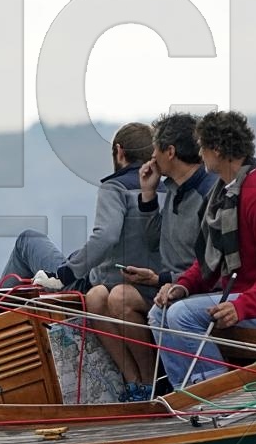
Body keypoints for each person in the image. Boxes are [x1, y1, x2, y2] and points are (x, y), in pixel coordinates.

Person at [147, 110, 256, 388]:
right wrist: (181, 286)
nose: (199, 154)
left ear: (217, 150)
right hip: (244, 298)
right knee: (160, 312)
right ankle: (185, 392)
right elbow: (209, 259)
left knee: (181, 315)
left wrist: (241, 307)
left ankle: (217, 392)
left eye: (203, 147)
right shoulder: (224, 191)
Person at [2, 122, 159, 398]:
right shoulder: (167, 189)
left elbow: (105, 237)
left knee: (27, 241)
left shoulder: (115, 188)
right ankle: (137, 383)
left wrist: (65, 273)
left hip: (94, 280)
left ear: (119, 152)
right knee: (89, 281)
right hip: (137, 282)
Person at [88, 111, 220, 396]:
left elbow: (212, 263)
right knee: (99, 296)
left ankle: (154, 384)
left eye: (156, 148)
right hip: (167, 282)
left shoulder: (208, 193)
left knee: (120, 297)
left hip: (195, 287)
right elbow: (155, 240)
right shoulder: (172, 188)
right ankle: (138, 383)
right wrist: (148, 196)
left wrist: (168, 280)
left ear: (169, 152)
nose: (151, 155)